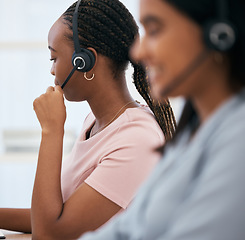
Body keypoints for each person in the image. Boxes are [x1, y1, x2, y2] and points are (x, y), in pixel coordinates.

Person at [0, 0, 176, 239]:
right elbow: (59, 216)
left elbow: (49, 234)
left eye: (54, 58)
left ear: (85, 61)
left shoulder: (136, 141)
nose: (52, 71)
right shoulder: (95, 121)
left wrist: (51, 131)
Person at [79, 0, 245, 239]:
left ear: (218, 35)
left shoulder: (238, 142)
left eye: (154, 30)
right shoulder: (192, 133)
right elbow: (126, 230)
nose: (138, 52)